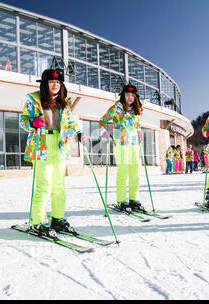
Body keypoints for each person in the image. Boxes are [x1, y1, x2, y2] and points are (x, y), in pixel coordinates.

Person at [20, 68, 86, 236]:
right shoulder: (34, 100)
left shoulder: (64, 103)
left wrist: (76, 132)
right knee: (44, 185)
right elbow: (23, 121)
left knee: (59, 186)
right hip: (41, 145)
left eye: (58, 82)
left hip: (60, 145)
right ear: (45, 84)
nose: (55, 85)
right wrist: (33, 123)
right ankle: (38, 221)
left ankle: (57, 218)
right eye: (51, 82)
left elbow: (71, 123)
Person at [99, 84, 144, 212]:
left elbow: (137, 124)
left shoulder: (137, 109)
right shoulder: (116, 108)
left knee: (134, 173)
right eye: (127, 95)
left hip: (134, 144)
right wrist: (105, 133)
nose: (130, 98)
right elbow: (102, 121)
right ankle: (121, 199)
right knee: (123, 172)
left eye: (132, 95)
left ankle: (133, 198)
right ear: (123, 95)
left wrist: (139, 131)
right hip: (121, 143)